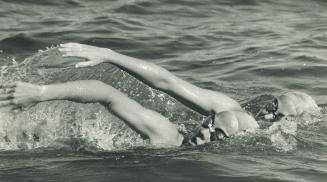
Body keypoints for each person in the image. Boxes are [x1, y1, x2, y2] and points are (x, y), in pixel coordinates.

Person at [0, 43, 258, 147]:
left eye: (216, 135)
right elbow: (107, 92)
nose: (205, 131)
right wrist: (41, 92)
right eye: (209, 123)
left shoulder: (246, 128)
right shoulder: (168, 135)